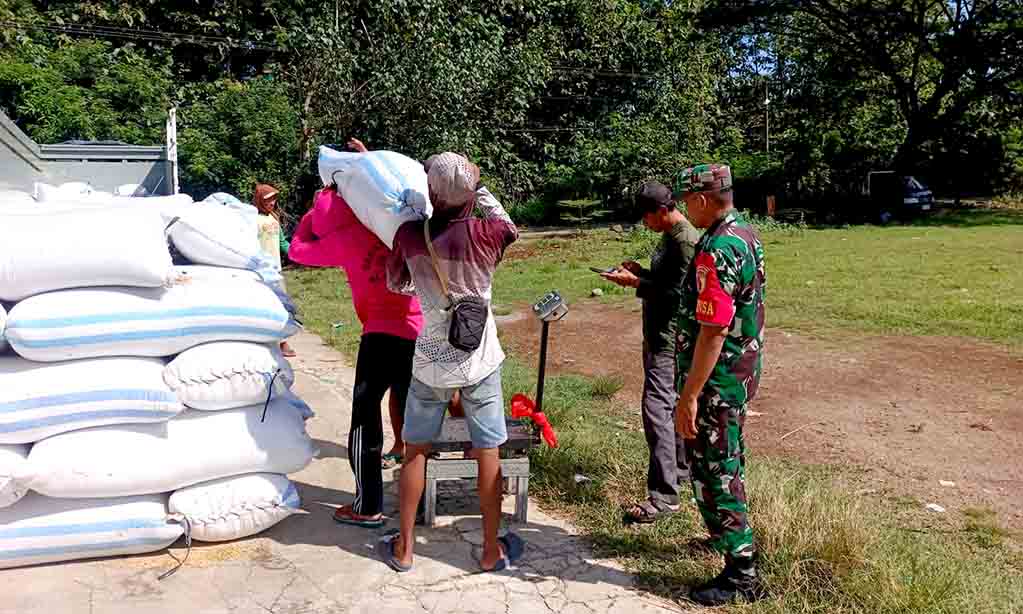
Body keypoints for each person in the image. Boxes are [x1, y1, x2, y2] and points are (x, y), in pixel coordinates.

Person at [378, 153, 521, 573]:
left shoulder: (409, 234)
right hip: (480, 358)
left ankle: (405, 549)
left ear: (431, 193)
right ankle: (491, 550)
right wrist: (481, 191)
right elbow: (510, 225)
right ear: (471, 194)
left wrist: (429, 293)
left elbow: (395, 283)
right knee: (488, 451)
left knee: (416, 451)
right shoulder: (489, 232)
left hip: (431, 361)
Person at [288, 179, 425, 528]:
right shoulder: (405, 228)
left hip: (378, 336)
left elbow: (298, 250)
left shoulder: (346, 237)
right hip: (418, 333)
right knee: (419, 421)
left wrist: (314, 209)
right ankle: (420, 504)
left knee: (365, 419)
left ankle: (368, 506)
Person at [673, 164, 765, 606]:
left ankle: (742, 573)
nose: (685, 210)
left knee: (718, 471)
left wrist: (689, 395)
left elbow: (713, 330)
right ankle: (725, 540)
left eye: (687, 201)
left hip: (716, 382)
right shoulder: (744, 235)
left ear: (703, 199)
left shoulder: (718, 249)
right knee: (723, 463)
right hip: (737, 374)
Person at [600, 181, 700, 524]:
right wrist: (641, 273)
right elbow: (666, 281)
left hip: (670, 340)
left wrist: (636, 284)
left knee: (656, 411)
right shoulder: (670, 235)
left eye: (647, 217)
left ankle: (664, 496)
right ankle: (681, 474)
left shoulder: (684, 241)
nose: (645, 223)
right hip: (658, 335)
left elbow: (679, 296)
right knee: (669, 408)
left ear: (661, 210)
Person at [253, 183, 298, 358]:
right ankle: (262, 339)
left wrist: (297, 254)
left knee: (282, 305)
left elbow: (282, 243)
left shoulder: (274, 218)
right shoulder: (252, 220)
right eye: (268, 200)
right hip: (259, 272)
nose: (272, 202)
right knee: (261, 305)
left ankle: (282, 341)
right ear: (259, 200)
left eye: (273, 199)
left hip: (276, 270)